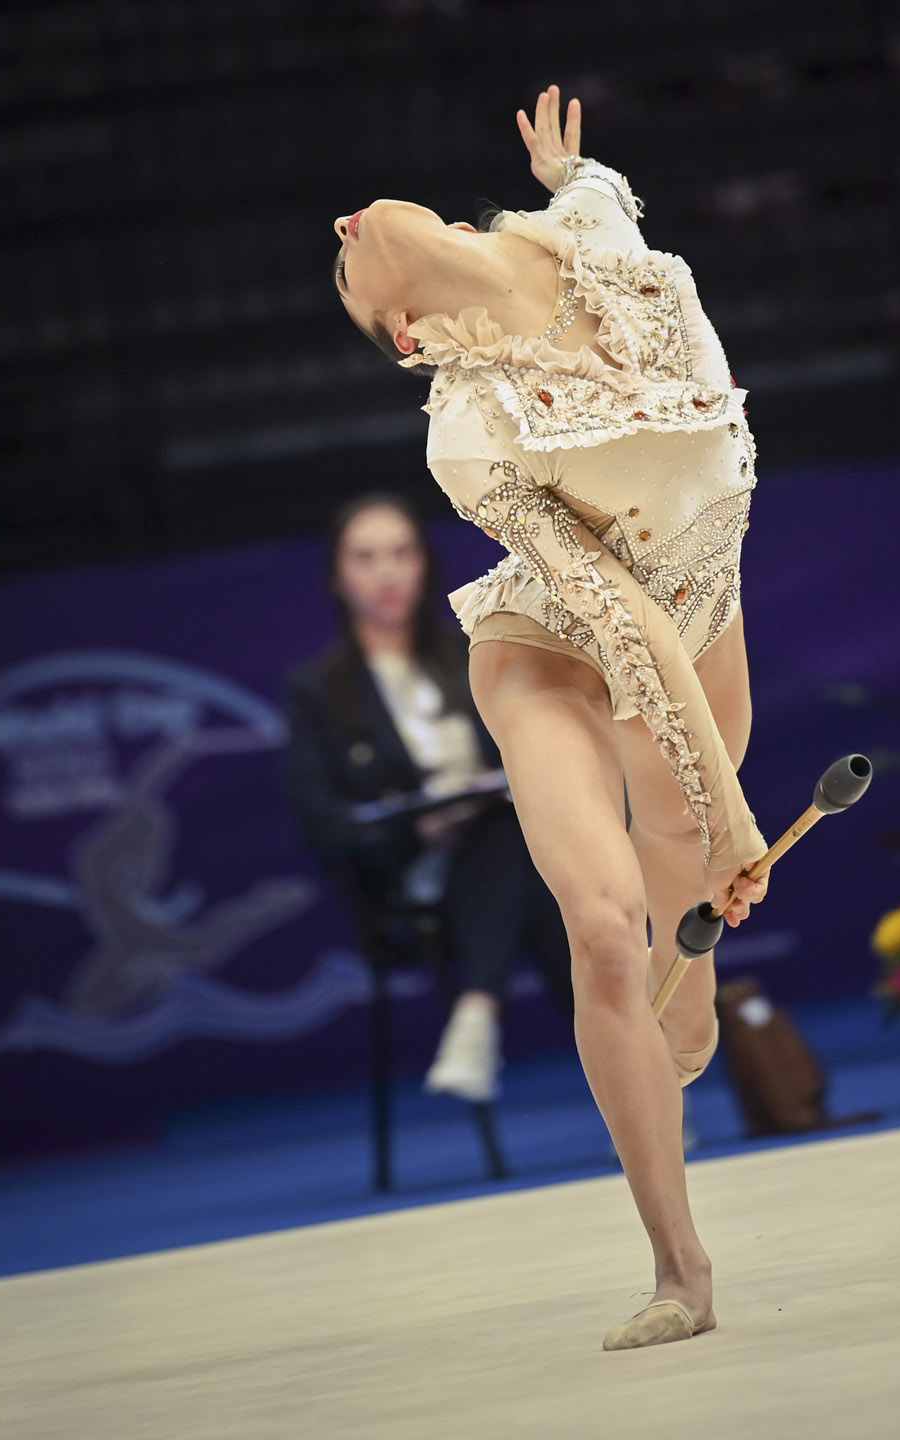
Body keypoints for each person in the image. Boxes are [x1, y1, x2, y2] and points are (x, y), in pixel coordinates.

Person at [329, 86, 771, 1351]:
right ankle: (680, 1270)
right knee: (608, 937)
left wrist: (572, 174)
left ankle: (688, 981)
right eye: (343, 267)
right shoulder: (471, 429)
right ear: (407, 333)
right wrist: (732, 815)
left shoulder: (578, 237)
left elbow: (601, 198)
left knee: (682, 958)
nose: (345, 225)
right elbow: (619, 624)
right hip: (561, 644)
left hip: (704, 605)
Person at [283, 493, 574, 1104]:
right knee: (556, 888)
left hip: (509, 844)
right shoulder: (317, 691)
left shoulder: (474, 651)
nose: (386, 573)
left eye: (401, 553)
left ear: (424, 563)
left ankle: (477, 1011)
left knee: (517, 844)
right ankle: (643, 1082)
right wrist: (416, 828)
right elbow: (320, 820)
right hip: (411, 875)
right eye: (365, 558)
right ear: (336, 576)